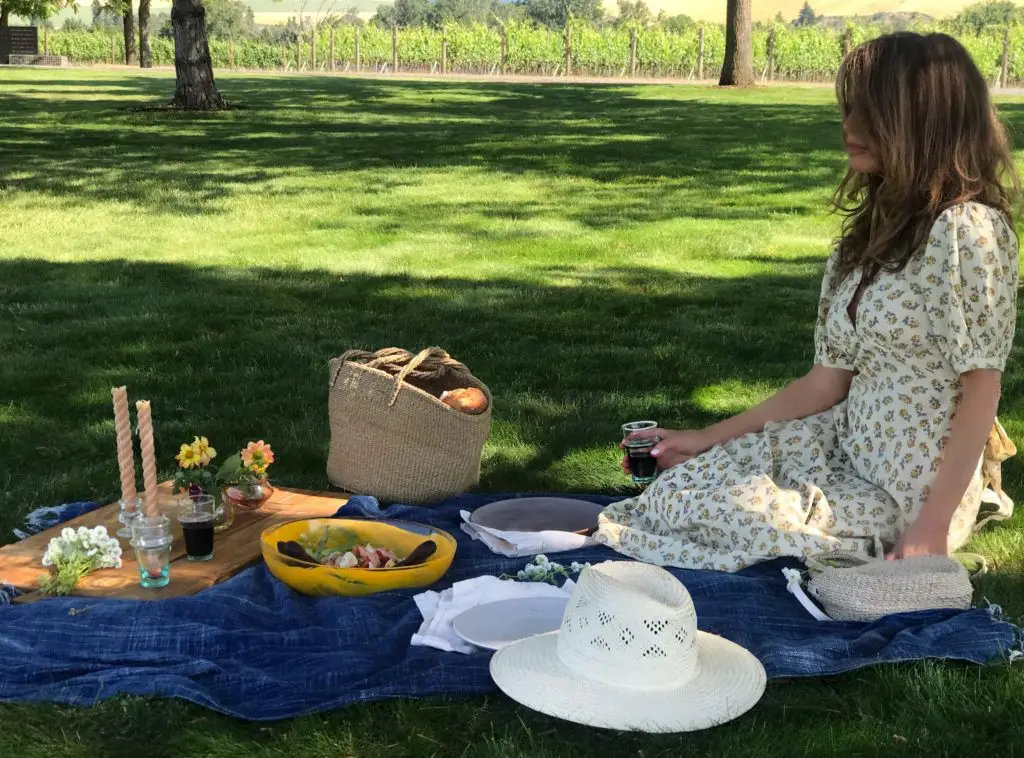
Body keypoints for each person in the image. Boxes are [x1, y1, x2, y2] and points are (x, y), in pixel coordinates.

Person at [595, 32, 1020, 572]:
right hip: (843, 444)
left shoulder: (966, 231)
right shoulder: (866, 236)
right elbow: (827, 381)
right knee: (681, 485)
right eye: (848, 109)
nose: (848, 126)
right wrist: (704, 439)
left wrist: (931, 527)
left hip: (911, 485)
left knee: (725, 512)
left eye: (869, 112)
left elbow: (981, 387)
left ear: (922, 120)